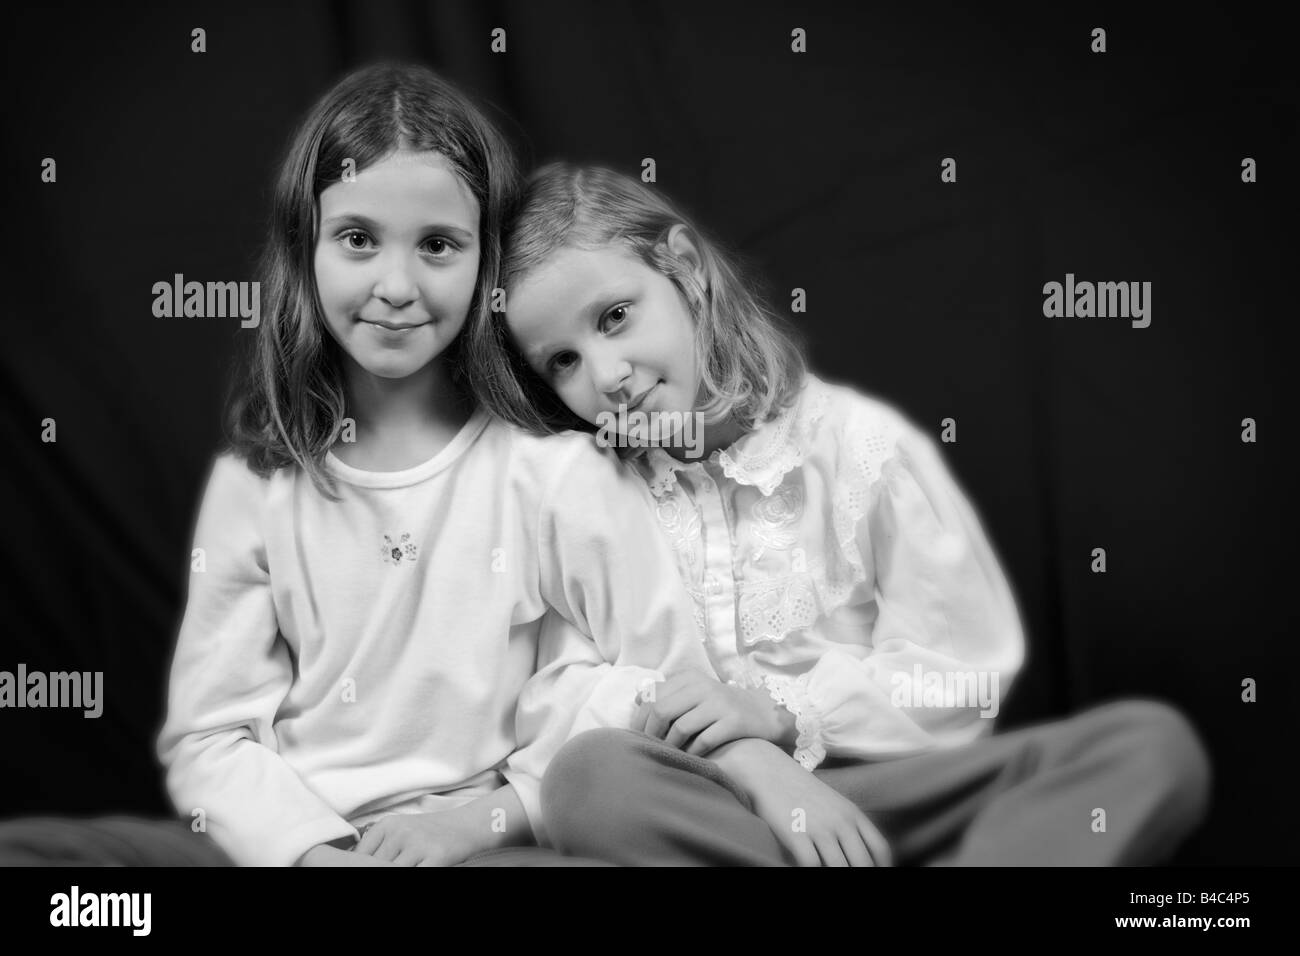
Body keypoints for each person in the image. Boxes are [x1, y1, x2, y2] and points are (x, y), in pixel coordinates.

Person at [466, 163, 1213, 866]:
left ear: (686, 270)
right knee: (589, 779)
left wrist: (787, 713)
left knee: (1151, 746)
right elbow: (559, 690)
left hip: (880, 798)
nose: (605, 375)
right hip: (716, 810)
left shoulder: (858, 446)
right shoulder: (589, 490)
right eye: (560, 361)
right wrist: (748, 762)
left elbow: (960, 680)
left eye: (617, 316)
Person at [155, 71, 704, 868]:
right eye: (357, 239)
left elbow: (650, 689)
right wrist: (313, 854)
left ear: (487, 269)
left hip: (502, 838)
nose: (397, 287)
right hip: (306, 841)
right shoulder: (258, 479)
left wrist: (483, 820)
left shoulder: (552, 471)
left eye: (439, 246)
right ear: (303, 247)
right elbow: (210, 735)